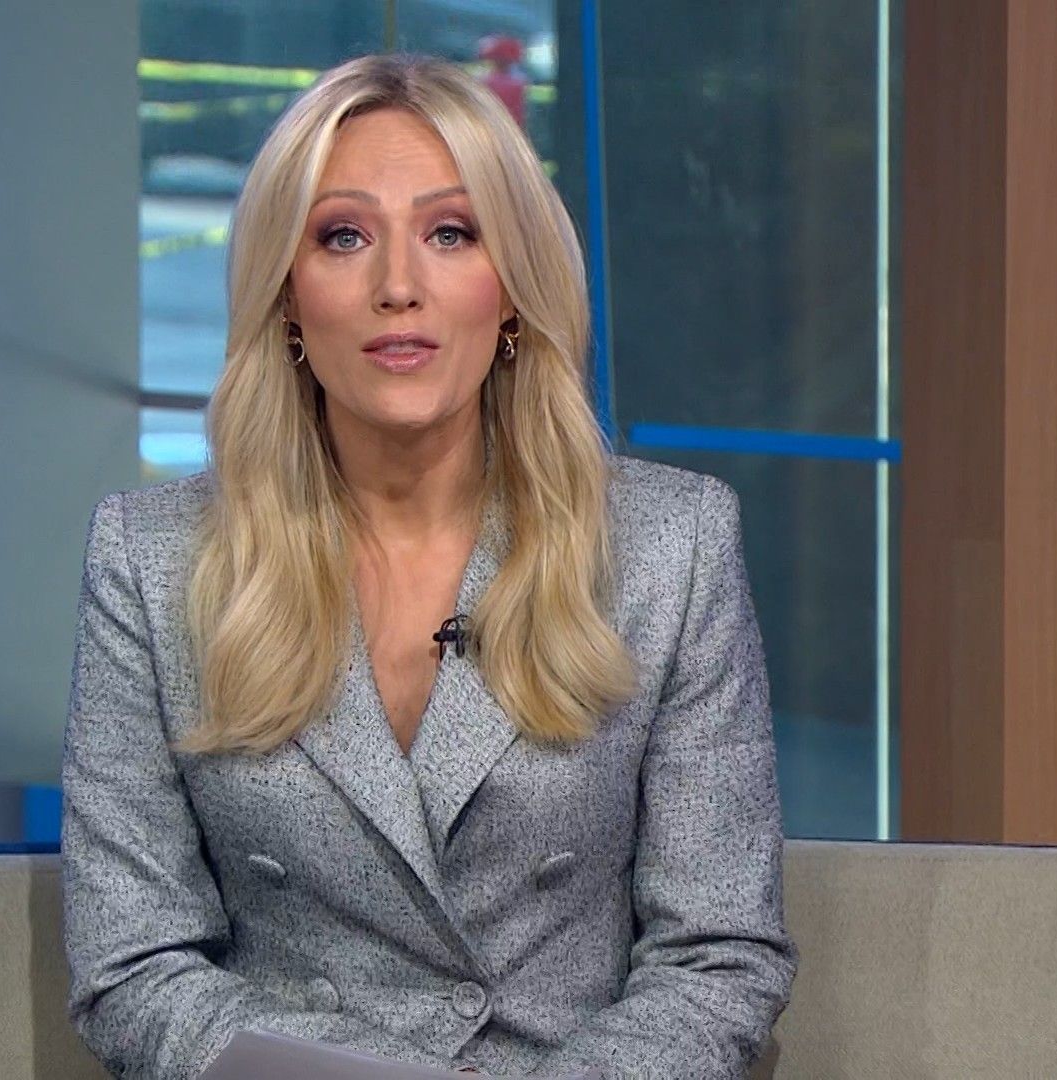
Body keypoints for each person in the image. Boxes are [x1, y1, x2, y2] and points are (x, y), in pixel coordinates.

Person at [60, 52, 795, 1079]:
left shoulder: (671, 544)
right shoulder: (153, 561)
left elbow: (718, 956)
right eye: (344, 236)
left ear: (513, 289)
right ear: (286, 294)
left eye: (451, 233)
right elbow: (132, 964)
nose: (398, 287)